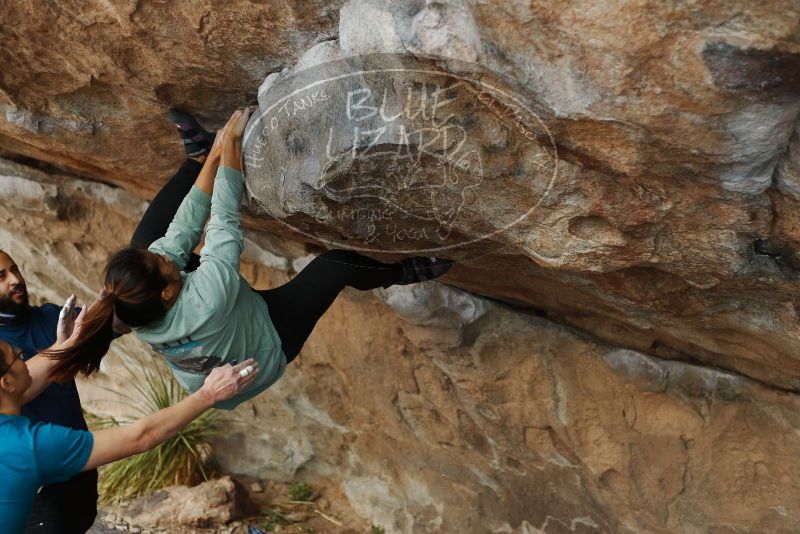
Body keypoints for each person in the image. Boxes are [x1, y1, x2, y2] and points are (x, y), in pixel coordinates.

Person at [44, 106, 453, 409]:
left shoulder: (136, 305)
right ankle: (399, 272)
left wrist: (215, 155)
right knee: (336, 265)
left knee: (148, 240)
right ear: (169, 293)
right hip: (264, 344)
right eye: (162, 267)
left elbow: (182, 229)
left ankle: (197, 157)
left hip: (222, 325)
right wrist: (234, 146)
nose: (162, 257)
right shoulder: (207, 295)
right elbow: (222, 216)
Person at [0, 108, 219, 532]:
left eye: (14, 269)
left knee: (141, 253)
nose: (15, 280)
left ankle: (195, 161)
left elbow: (107, 326)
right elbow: (140, 437)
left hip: (70, 474)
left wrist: (129, 295)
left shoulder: (49, 317)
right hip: (40, 483)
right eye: (0, 278)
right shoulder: (13, 395)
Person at [0, 296, 260, 534]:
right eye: (20, 356)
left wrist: (64, 347)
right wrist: (208, 394)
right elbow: (141, 437)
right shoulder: (30, 446)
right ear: (7, 384)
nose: (27, 359)